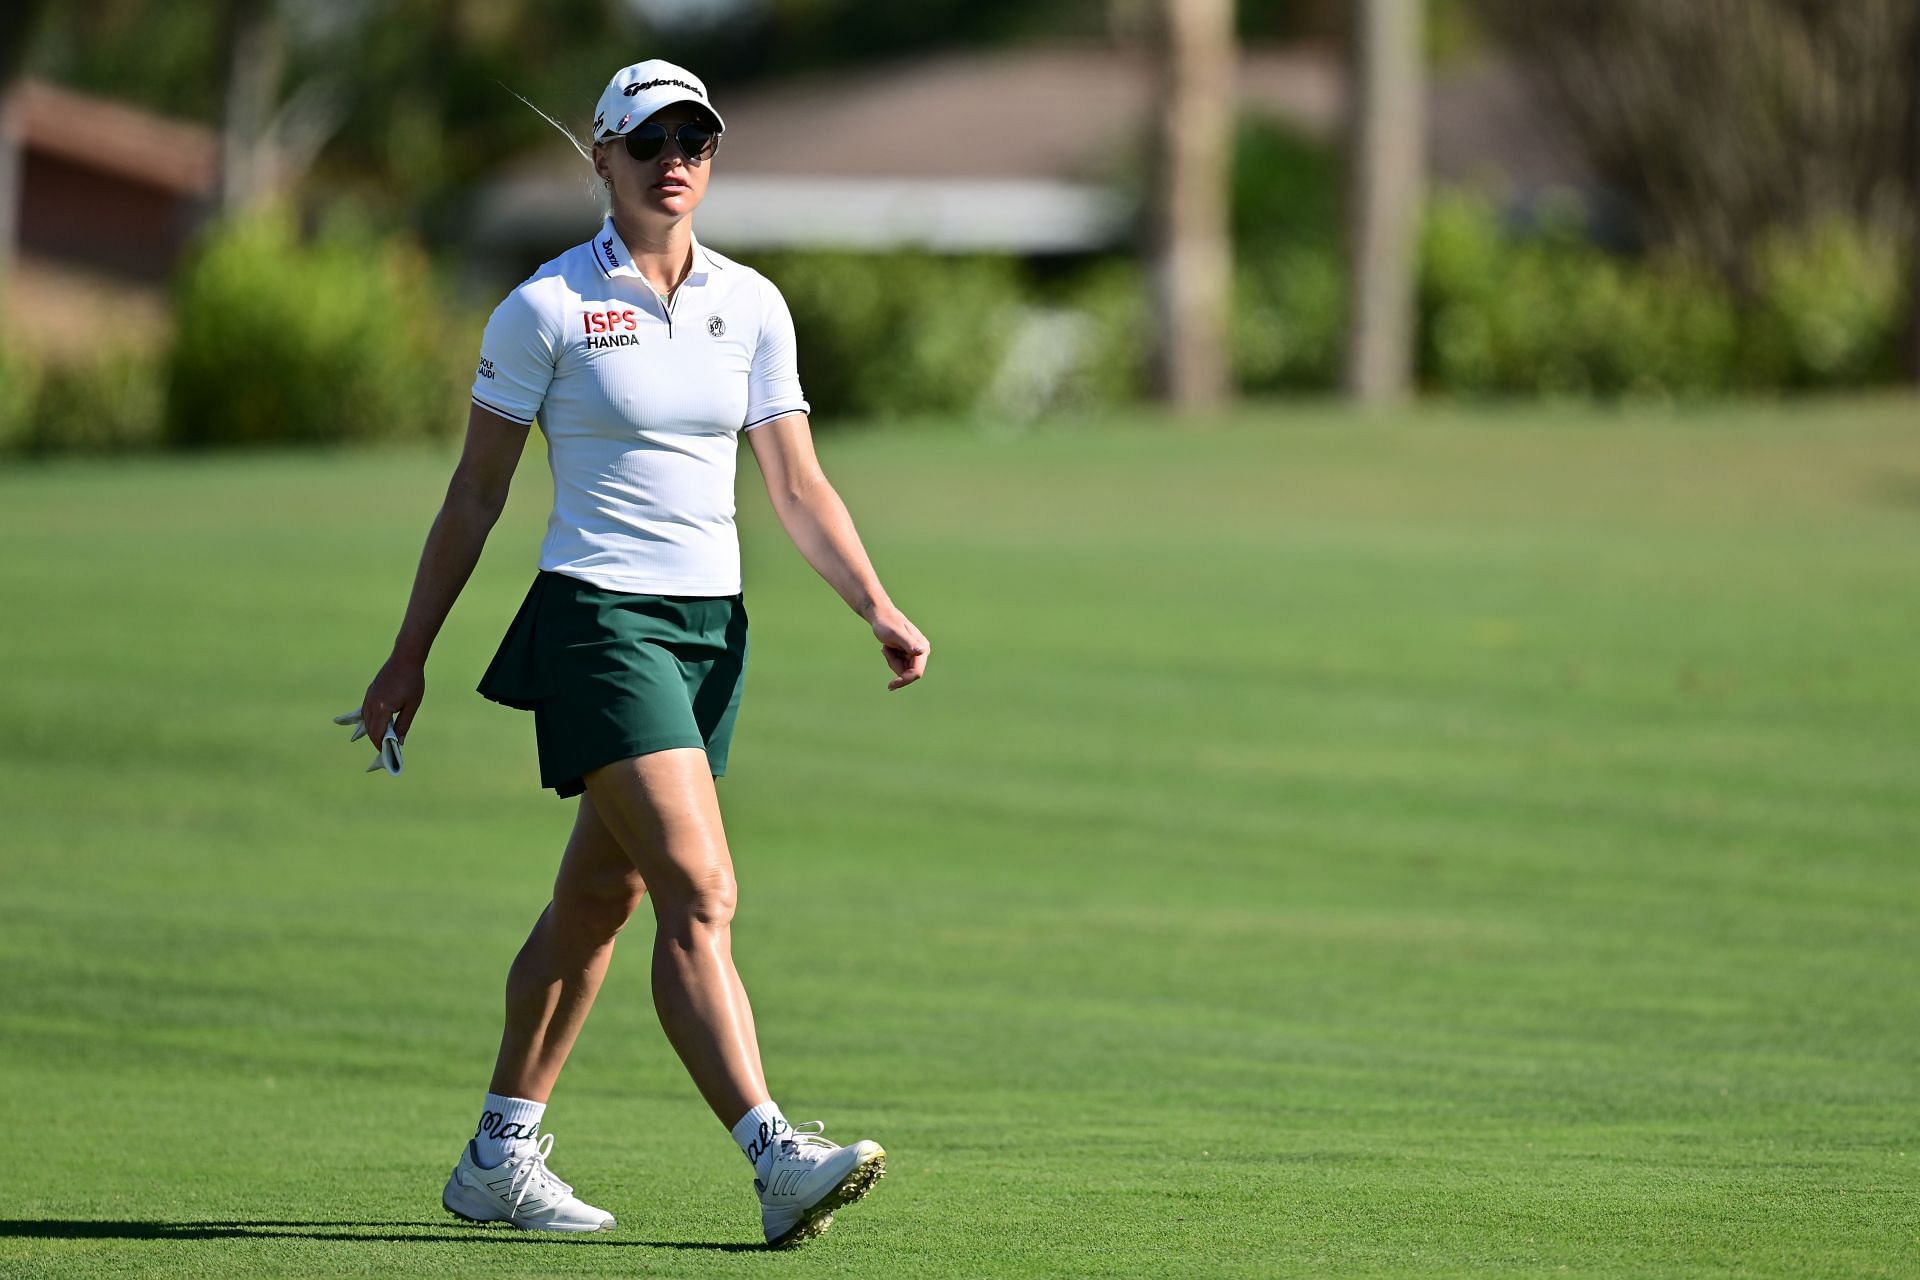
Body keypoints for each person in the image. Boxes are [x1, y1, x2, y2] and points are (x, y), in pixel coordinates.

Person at [353, 58, 930, 1249]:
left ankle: (497, 1154)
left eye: (698, 140)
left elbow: (796, 480)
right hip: (597, 622)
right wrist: (409, 652)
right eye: (652, 139)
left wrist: (873, 600)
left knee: (597, 897)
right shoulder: (547, 307)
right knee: (700, 888)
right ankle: (774, 1153)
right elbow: (475, 494)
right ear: (602, 158)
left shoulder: (752, 305)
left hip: (709, 631)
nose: (678, 159)